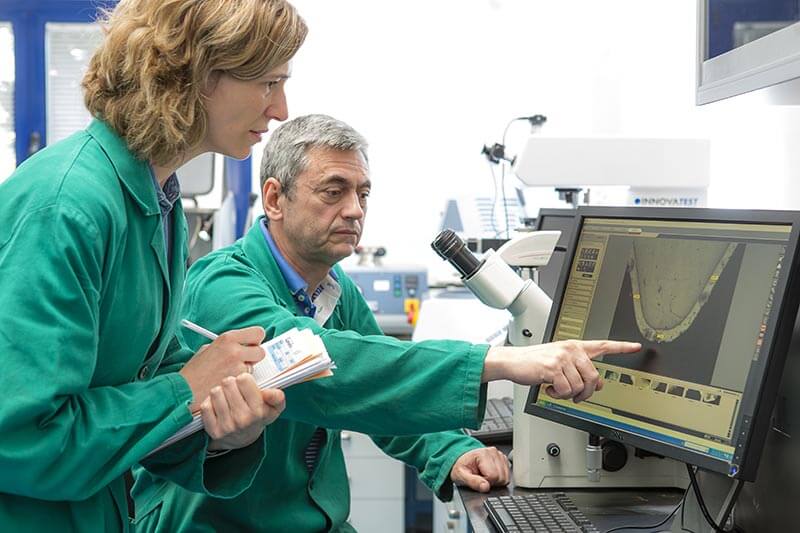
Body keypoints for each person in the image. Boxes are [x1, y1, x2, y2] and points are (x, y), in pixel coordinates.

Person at [132, 114, 639, 532]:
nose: (354, 210)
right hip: (217, 523)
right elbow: (332, 370)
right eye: (333, 191)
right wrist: (499, 361)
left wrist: (449, 450)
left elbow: (382, 392)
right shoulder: (224, 284)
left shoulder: (332, 288)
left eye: (363, 193)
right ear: (273, 199)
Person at [0, 1, 307, 531]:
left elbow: (138, 391)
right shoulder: (68, 207)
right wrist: (185, 389)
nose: (280, 108)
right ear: (196, 73)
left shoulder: (157, 201)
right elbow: (22, 439)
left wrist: (221, 430)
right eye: (267, 82)